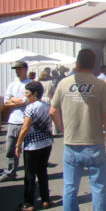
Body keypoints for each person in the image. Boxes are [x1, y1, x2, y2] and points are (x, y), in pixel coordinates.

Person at [50, 49, 106, 211]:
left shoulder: (64, 83)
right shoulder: (100, 85)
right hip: (94, 142)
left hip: (71, 142)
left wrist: (63, 129)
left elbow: (52, 111)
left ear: (77, 63)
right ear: (94, 65)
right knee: (99, 187)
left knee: (70, 188)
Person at [15, 81, 53, 210]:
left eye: (27, 93)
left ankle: (29, 203)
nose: (26, 96)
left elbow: (25, 127)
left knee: (30, 174)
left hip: (32, 145)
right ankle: (45, 199)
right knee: (42, 171)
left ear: (35, 94)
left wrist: (18, 143)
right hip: (46, 143)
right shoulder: (46, 105)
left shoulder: (30, 108)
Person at [0, 61, 32, 183]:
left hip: (25, 119)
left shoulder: (29, 84)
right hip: (13, 120)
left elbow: (26, 101)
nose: (18, 71)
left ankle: (29, 173)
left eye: (20, 69)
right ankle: (10, 172)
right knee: (10, 148)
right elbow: (6, 102)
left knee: (27, 149)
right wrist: (17, 100)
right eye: (16, 70)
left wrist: (14, 100)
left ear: (25, 69)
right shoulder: (12, 84)